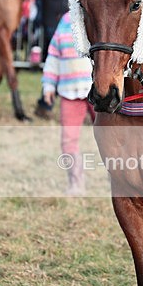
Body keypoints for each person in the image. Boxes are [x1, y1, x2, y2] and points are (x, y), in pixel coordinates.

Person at [40, 12, 94, 195]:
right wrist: (48, 85)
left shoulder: (98, 14)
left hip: (96, 91)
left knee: (110, 136)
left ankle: (119, 181)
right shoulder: (64, 21)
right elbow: (53, 55)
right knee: (68, 140)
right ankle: (76, 184)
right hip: (69, 92)